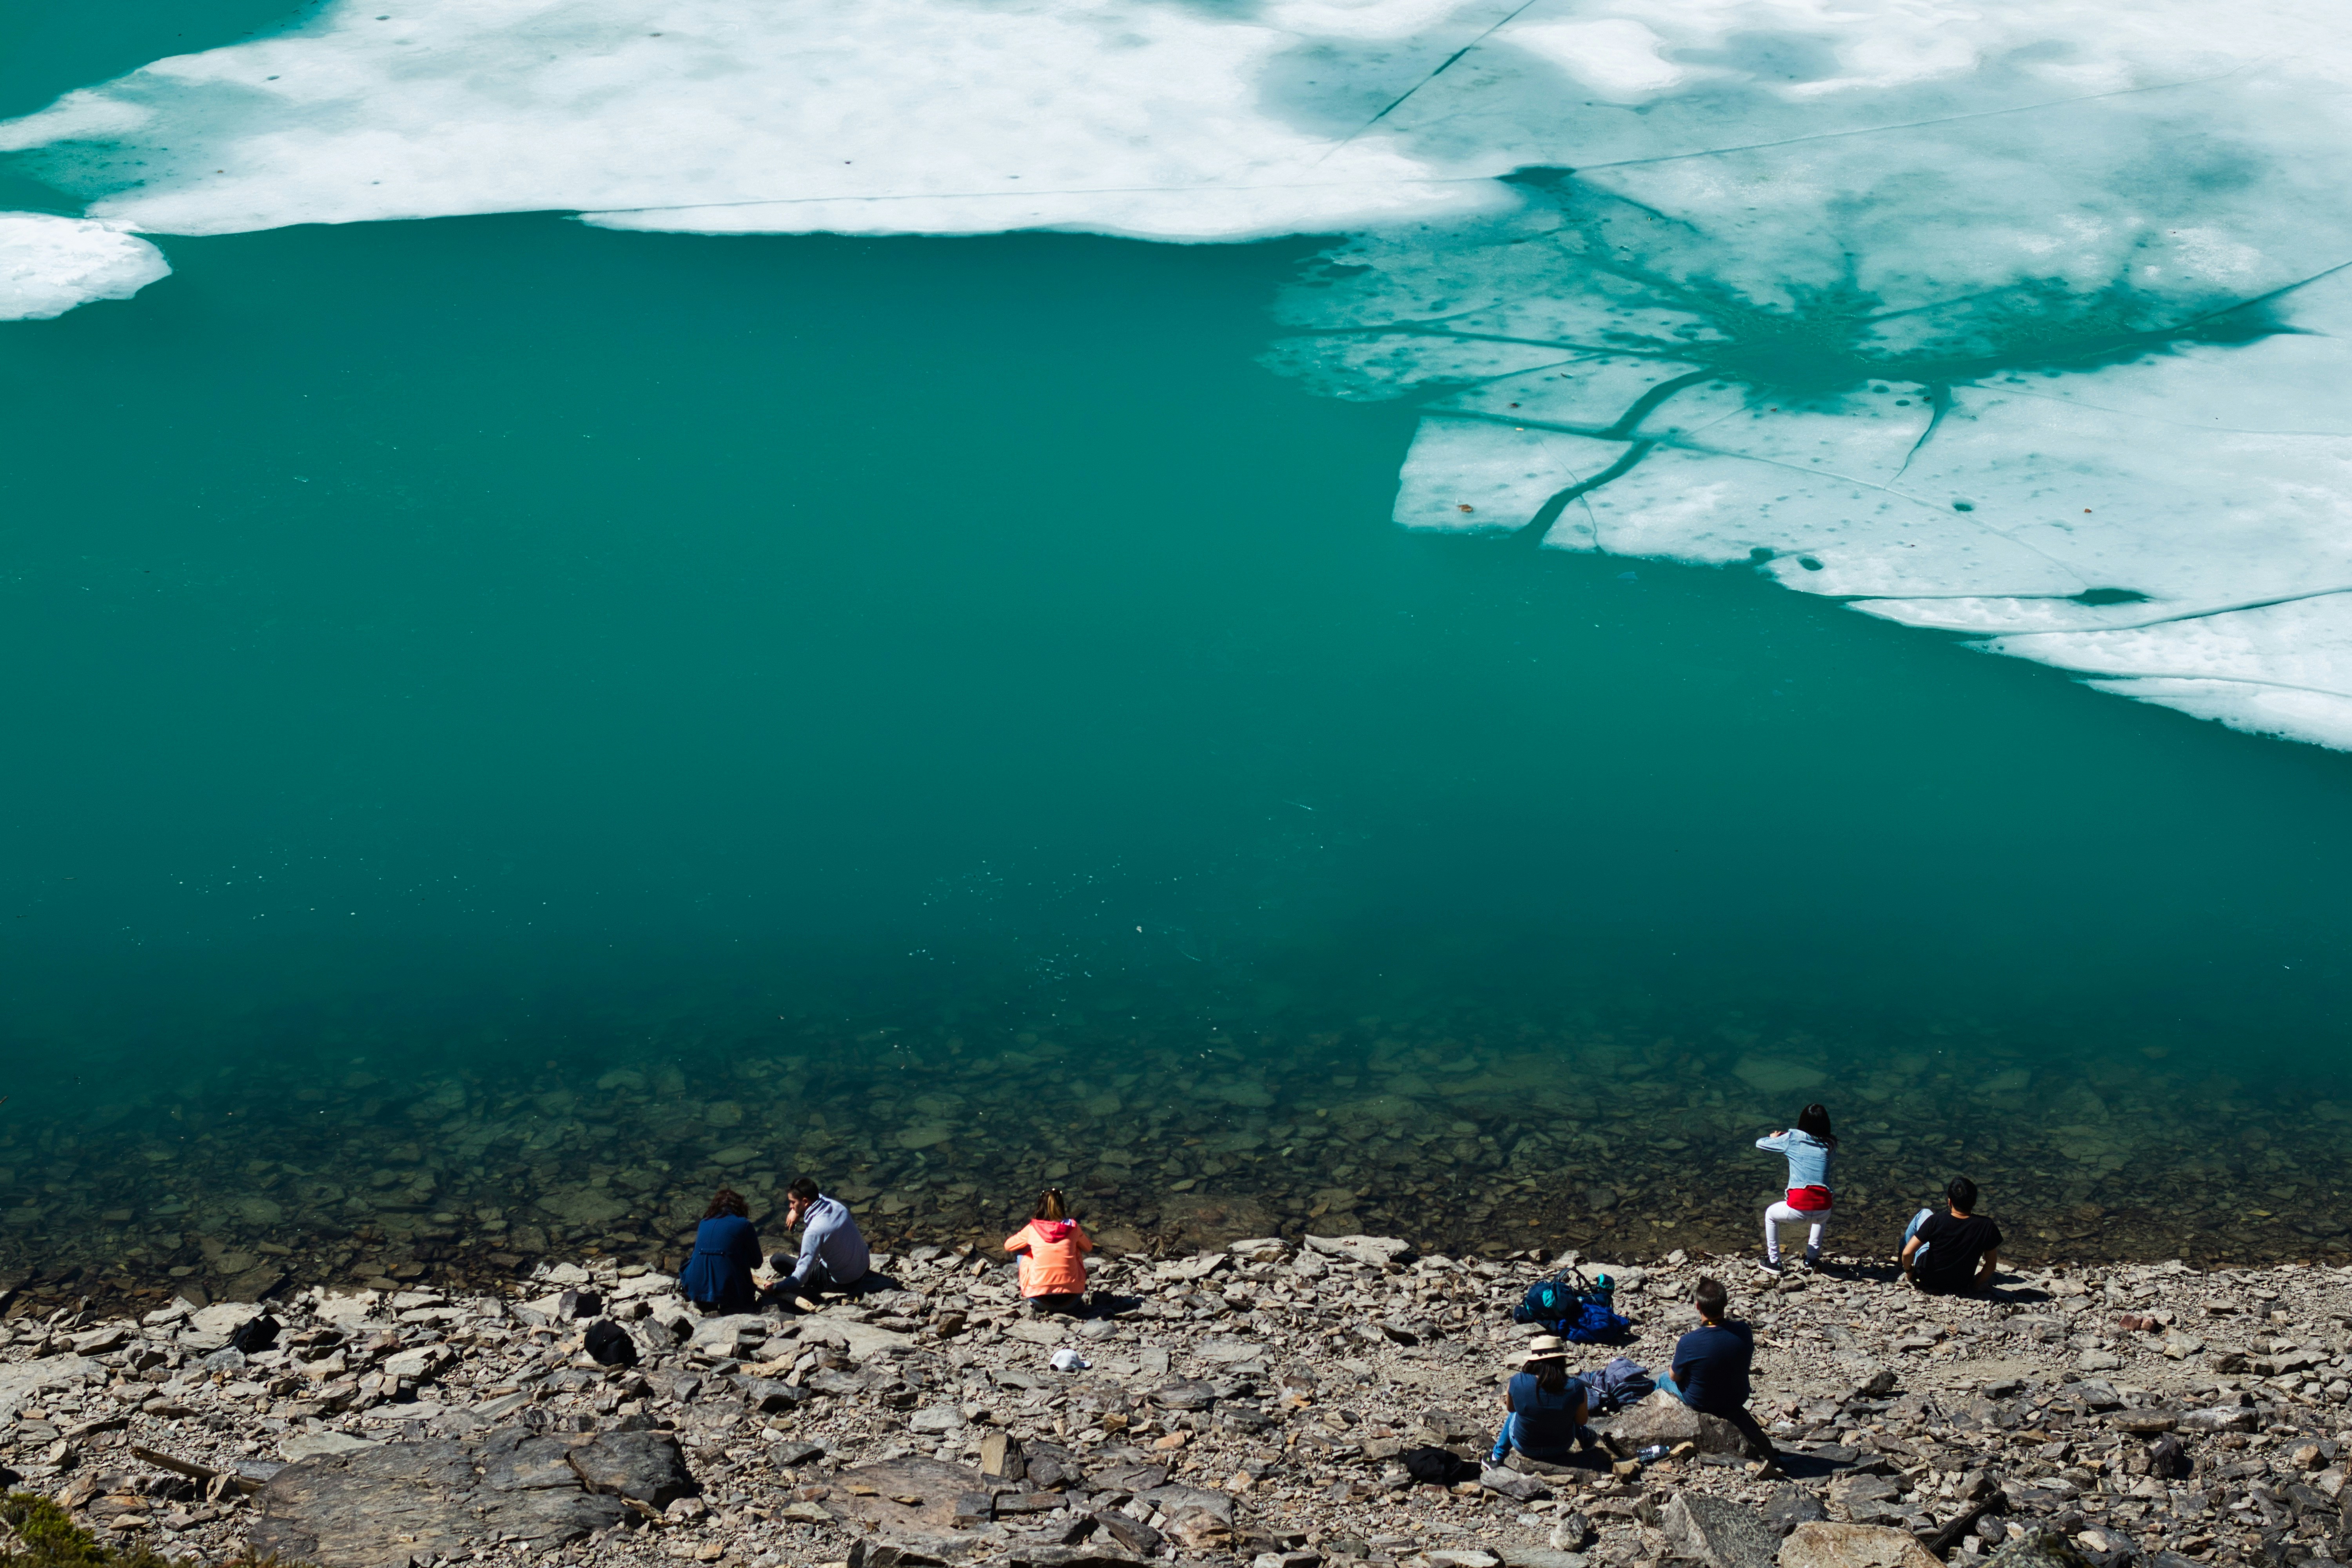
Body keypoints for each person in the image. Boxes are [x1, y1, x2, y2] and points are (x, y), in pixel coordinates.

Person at [1657, 1277, 1773, 1458]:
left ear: (1697, 1307)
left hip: (1702, 1402)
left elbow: (1674, 1377)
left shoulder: (1689, 1342)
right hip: (1737, 1398)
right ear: (1726, 1304)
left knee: (1662, 1379)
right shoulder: (1743, 1331)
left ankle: (1657, 1426)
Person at [1487, 1335, 1594, 1465]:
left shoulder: (1517, 1381)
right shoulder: (1576, 1386)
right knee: (1571, 1409)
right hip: (1561, 1447)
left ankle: (1496, 1457)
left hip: (1525, 1446)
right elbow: (1582, 1421)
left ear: (1534, 1360)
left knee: (1515, 1414)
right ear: (1562, 1359)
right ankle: (1587, 1440)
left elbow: (1511, 1409)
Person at [1755, 1102, 1837, 1273]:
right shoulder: (1830, 1145)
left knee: (1770, 1214)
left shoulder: (1791, 1139)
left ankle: (1774, 1262)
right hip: (1825, 1206)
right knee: (1819, 1221)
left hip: (1799, 1207)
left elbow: (1760, 1144)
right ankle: (1811, 1260)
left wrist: (1775, 1139)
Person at [767, 1176, 871, 1302]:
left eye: (793, 1202)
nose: (790, 1207)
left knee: (777, 1260)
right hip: (864, 1267)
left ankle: (814, 1294)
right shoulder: (837, 1206)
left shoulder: (814, 1231)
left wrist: (777, 1287)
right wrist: (797, 1211)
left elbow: (800, 1278)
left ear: (805, 1201)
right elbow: (816, 1196)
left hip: (845, 1282)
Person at [1902, 1177, 2003, 1294]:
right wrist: (1974, 1285)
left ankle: (1902, 1252)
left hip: (1927, 1279)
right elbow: (1991, 1265)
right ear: (1974, 1202)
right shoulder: (1987, 1226)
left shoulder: (1936, 1221)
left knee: (1924, 1214)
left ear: (1949, 1202)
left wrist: (1909, 1271)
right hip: (1960, 1284)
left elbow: (1908, 1253)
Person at [1004, 1188, 1094, 1314]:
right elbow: (1089, 1248)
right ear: (1061, 1206)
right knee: (1076, 1249)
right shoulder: (1073, 1228)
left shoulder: (1032, 1228)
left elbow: (1008, 1246)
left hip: (1039, 1300)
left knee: (1023, 1251)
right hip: (1072, 1300)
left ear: (1040, 1206)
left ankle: (1034, 1285)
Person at [677, 1187, 762, 1314]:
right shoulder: (744, 1224)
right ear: (740, 1207)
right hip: (728, 1292)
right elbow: (757, 1262)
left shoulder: (703, 1222)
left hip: (695, 1288)